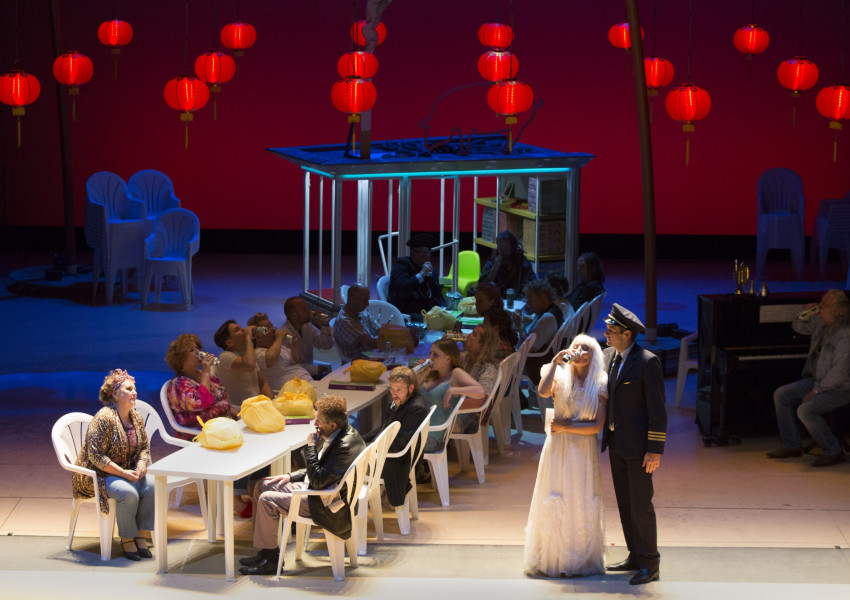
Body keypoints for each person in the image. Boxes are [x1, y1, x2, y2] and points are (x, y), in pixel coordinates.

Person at [238, 395, 366, 576]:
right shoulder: (343, 433)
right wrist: (290, 476)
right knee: (262, 485)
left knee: (267, 500)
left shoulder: (343, 446)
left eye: (319, 421)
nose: (315, 424)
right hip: (321, 491)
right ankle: (266, 552)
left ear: (332, 425)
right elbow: (323, 471)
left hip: (327, 504)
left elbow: (318, 479)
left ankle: (272, 561)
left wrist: (311, 446)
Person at [524, 334, 608, 577]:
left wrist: (566, 427)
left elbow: (596, 426)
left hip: (582, 449)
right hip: (557, 447)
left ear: (594, 356)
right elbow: (542, 392)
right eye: (576, 346)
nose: (579, 350)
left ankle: (578, 558)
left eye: (586, 348)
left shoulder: (600, 382)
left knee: (580, 497)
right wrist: (555, 362)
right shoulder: (559, 375)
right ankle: (554, 557)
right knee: (555, 493)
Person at [601, 304, 666, 585]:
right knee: (625, 503)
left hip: (640, 448)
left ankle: (650, 563)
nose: (606, 334)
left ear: (627, 334)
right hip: (617, 443)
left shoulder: (647, 362)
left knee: (641, 506)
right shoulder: (611, 357)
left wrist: (654, 449)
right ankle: (635, 555)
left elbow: (657, 409)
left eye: (611, 331)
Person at [71, 369, 154, 561]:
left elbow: (144, 447)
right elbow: (96, 456)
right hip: (100, 475)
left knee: (151, 486)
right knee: (128, 493)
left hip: (127, 470)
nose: (134, 392)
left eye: (134, 389)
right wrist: (123, 473)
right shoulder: (104, 417)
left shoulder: (136, 417)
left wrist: (142, 464)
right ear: (115, 394)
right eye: (128, 389)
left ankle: (140, 536)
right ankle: (127, 539)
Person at [767, 290, 850, 467]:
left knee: (805, 410)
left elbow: (839, 372)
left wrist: (816, 391)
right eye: (821, 301)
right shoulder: (821, 324)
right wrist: (807, 312)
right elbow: (797, 326)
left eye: (825, 304)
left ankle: (833, 451)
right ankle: (792, 445)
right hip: (817, 380)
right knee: (781, 394)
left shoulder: (845, 335)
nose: (820, 305)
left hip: (841, 388)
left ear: (837, 311)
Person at [361, 366, 431, 507]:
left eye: (399, 389)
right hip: (391, 451)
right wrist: (360, 440)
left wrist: (369, 448)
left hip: (399, 460)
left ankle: (351, 503)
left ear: (411, 388)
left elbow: (399, 444)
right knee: (349, 452)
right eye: (392, 389)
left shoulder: (416, 408)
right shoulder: (400, 401)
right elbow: (383, 429)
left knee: (348, 460)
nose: (394, 393)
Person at [418, 338, 486, 453]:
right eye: (430, 353)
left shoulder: (455, 373)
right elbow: (408, 395)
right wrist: (423, 374)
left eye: (435, 355)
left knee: (390, 446)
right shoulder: (431, 374)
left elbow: (480, 392)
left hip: (432, 435)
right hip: (415, 430)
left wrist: (453, 390)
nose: (430, 358)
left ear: (448, 359)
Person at [164, 333, 234, 439]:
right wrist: (206, 372)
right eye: (192, 350)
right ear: (180, 358)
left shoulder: (205, 375)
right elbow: (201, 402)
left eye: (198, 348)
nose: (198, 352)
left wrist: (239, 416)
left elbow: (223, 400)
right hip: (197, 435)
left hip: (222, 427)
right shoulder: (178, 384)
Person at [212, 319, 273, 408]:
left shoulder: (247, 355)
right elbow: (249, 365)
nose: (244, 330)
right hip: (240, 409)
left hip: (257, 406)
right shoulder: (224, 356)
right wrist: (248, 337)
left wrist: (271, 401)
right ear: (229, 342)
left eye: (241, 327)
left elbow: (263, 383)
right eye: (237, 330)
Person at [247, 312, 312, 389]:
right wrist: (279, 338)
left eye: (272, 326)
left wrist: (294, 346)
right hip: (291, 392)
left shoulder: (279, 347)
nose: (273, 329)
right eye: (268, 328)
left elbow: (296, 360)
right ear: (258, 337)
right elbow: (270, 358)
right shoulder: (257, 353)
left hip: (307, 384)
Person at [519, 279, 564, 389]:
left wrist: (520, 326)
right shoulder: (552, 310)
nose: (527, 303)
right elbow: (536, 323)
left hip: (535, 363)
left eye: (530, 298)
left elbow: (529, 348)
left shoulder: (548, 318)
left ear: (543, 297)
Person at [387, 232, 444, 317]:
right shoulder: (402, 265)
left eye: (428, 252)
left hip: (427, 312)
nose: (426, 256)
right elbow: (402, 290)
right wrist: (421, 275)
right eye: (423, 253)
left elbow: (438, 296)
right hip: (407, 312)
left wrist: (444, 308)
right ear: (412, 253)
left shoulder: (432, 272)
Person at [281, 296, 335, 379]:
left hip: (308, 374)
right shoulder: (284, 335)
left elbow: (326, 345)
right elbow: (292, 366)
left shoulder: (307, 326)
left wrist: (325, 326)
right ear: (293, 315)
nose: (309, 311)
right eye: (304, 309)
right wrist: (315, 369)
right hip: (295, 378)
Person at [476, 230, 536, 298]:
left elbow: (531, 284)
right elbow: (480, 287)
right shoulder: (492, 263)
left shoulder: (523, 263)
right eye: (500, 248)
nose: (503, 252)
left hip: (518, 299)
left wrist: (526, 294)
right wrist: (493, 270)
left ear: (513, 247)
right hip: (497, 299)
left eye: (506, 248)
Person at [333, 284, 380, 361]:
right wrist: (394, 340)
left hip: (371, 355)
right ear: (352, 300)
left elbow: (379, 330)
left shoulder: (361, 312)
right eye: (364, 301)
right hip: (359, 362)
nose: (367, 304)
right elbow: (370, 344)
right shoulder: (344, 322)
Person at [477, 282, 519, 358]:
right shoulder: (500, 314)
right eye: (476, 300)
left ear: (492, 302)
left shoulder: (494, 319)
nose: (476, 303)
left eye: (480, 300)